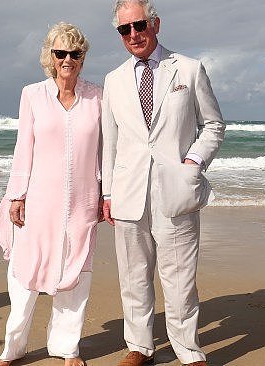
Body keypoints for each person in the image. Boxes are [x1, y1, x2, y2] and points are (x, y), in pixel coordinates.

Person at [101, 1, 226, 365]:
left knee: (180, 278)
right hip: (128, 193)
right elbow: (110, 142)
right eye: (125, 29)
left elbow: (214, 125)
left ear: (155, 23)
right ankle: (139, 346)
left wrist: (194, 161)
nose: (133, 34)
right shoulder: (114, 79)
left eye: (139, 25)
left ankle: (187, 349)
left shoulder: (189, 68)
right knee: (134, 277)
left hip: (176, 190)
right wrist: (107, 193)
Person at [0, 22, 103, 366]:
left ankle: (67, 348)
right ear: (50, 57)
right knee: (25, 276)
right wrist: (16, 195)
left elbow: (105, 151)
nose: (67, 59)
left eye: (75, 52)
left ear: (83, 57)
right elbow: (23, 147)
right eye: (61, 53)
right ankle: (13, 348)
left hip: (83, 202)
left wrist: (106, 194)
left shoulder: (98, 97)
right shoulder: (32, 94)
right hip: (39, 201)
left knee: (76, 275)